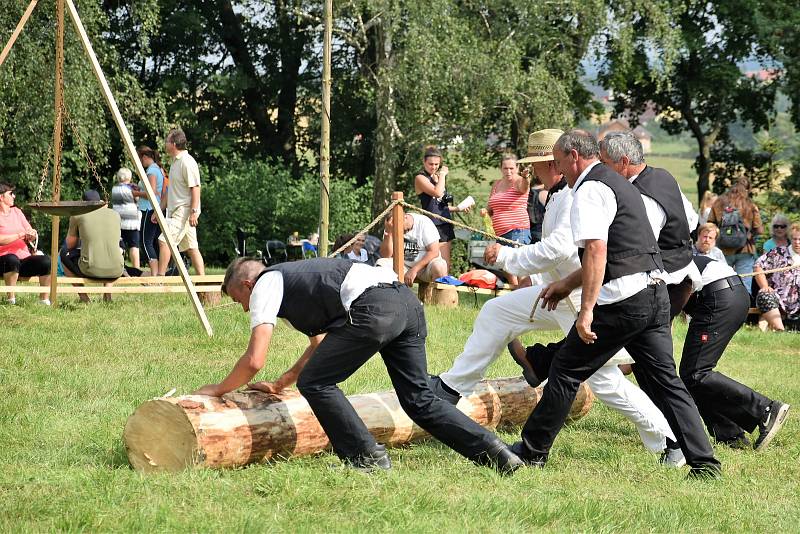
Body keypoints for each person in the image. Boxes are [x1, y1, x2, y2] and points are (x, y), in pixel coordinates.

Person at [428, 129, 677, 459]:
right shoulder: (559, 195)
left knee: (604, 381)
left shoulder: (573, 195)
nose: (533, 171)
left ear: (555, 163)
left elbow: (558, 250)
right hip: (556, 295)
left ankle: (667, 441)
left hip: (575, 297)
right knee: (496, 313)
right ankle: (451, 388)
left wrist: (505, 257)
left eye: (539, 164)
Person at [510, 130, 720, 478]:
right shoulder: (620, 183)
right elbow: (622, 249)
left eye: (560, 162)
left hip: (624, 299)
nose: (559, 170)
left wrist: (587, 309)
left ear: (574, 156)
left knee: (565, 369)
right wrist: (566, 284)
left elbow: (597, 251)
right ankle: (705, 464)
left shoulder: (591, 189)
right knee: (667, 382)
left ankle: (531, 452)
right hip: (654, 293)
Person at [193, 257, 524, 474]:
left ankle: (367, 457)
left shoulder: (266, 282)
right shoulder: (299, 285)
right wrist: (284, 382)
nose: (242, 307)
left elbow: (254, 360)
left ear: (247, 285)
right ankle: (500, 456)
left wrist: (218, 390)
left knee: (316, 383)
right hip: (406, 306)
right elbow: (320, 344)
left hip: (377, 308)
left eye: (239, 299)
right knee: (419, 400)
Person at [681, 254, 790, 450]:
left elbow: (668, 309)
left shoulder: (656, 261)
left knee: (696, 372)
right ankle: (730, 436)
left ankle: (765, 409)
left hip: (719, 296)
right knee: (693, 375)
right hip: (732, 294)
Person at [60, 190, 125, 302]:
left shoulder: (78, 215)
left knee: (63, 253)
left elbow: (70, 245)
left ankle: (84, 298)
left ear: (83, 203)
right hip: (117, 269)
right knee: (108, 251)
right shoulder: (115, 214)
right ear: (100, 202)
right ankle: (107, 294)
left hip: (90, 269)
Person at [156, 129, 205, 276]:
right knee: (191, 247)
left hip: (185, 210)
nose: (165, 143)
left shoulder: (187, 162)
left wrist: (194, 212)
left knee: (164, 240)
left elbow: (195, 187)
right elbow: (171, 190)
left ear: (174, 144)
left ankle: (160, 278)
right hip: (177, 210)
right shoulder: (175, 162)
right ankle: (204, 282)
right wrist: (159, 209)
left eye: (167, 141)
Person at [414, 146, 470, 272]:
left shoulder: (438, 178)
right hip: (432, 224)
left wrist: (458, 208)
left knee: (445, 264)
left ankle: (443, 290)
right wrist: (443, 175)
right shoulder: (420, 178)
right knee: (434, 263)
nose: (433, 167)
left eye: (437, 164)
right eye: (430, 164)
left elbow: (440, 204)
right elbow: (437, 193)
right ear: (424, 162)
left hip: (444, 223)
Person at [708, 178, 763, 292]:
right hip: (745, 250)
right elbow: (759, 229)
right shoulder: (750, 205)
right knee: (744, 286)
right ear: (747, 190)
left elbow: (710, 224)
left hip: (722, 250)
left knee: (722, 284)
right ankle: (744, 308)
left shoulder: (719, 202)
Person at [0, 183, 51, 305]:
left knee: (46, 261)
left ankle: (44, 300)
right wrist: (19, 235)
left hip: (23, 259)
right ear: (1, 197)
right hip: (3, 260)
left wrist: (31, 234)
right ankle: (10, 299)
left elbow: (29, 230)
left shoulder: (17, 212)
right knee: (12, 259)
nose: (14, 196)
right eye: (11, 193)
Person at [486, 154, 530, 286]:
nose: (508, 171)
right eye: (505, 168)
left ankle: (524, 295)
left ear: (517, 168)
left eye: (511, 168)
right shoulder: (497, 184)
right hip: (500, 233)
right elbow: (490, 206)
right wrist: (485, 212)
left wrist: (526, 177)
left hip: (517, 230)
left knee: (519, 266)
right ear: (501, 168)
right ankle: (516, 293)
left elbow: (524, 187)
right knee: (505, 265)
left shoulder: (519, 181)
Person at [752, 223, 800, 331]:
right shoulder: (779, 252)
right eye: (794, 239)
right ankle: (780, 331)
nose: (797, 242)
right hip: (777, 299)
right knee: (764, 295)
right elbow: (757, 266)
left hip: (798, 303)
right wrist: (765, 286)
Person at [378, 212, 448, 286]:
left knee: (440, 267)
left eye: (399, 227)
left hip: (426, 267)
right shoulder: (391, 225)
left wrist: (414, 270)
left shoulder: (423, 222)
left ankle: (437, 296)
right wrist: (388, 233)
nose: (398, 231)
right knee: (381, 263)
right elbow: (386, 255)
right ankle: (390, 296)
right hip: (403, 266)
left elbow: (434, 252)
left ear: (405, 218)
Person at [135, 145, 167, 276]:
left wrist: (134, 193)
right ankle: (158, 273)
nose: (140, 163)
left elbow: (152, 192)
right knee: (153, 241)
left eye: (140, 159)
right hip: (155, 209)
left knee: (145, 241)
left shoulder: (151, 171)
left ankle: (154, 274)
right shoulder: (158, 169)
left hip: (150, 209)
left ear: (145, 157)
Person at [110, 167, 141, 269]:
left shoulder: (114, 189)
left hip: (118, 221)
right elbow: (137, 199)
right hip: (132, 222)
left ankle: (117, 266)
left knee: (119, 245)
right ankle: (136, 269)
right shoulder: (132, 188)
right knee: (134, 246)